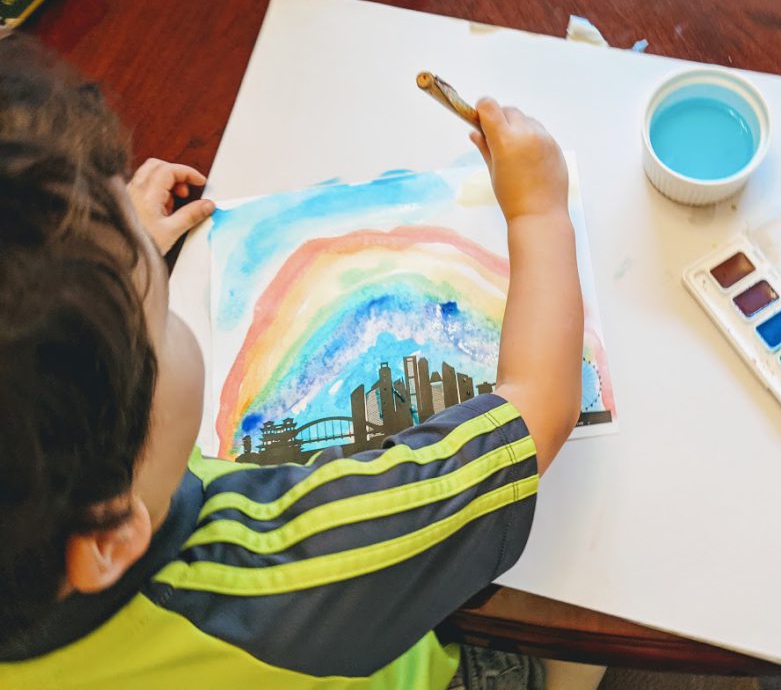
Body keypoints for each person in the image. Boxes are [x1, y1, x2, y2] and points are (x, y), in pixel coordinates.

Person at [0, 37, 597, 689]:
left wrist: (111, 246)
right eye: (162, 312)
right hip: (403, 666)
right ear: (110, 536)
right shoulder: (280, 572)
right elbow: (538, 410)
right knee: (589, 617)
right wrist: (540, 211)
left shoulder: (44, 492)